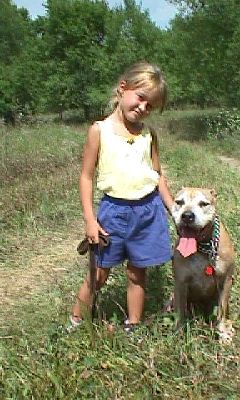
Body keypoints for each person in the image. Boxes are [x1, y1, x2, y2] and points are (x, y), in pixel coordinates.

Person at [68, 61, 174, 332]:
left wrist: (172, 207)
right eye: (140, 98)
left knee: (137, 273)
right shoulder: (99, 130)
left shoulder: (149, 135)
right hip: (113, 212)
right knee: (99, 273)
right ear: (122, 88)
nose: (142, 108)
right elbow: (86, 177)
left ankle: (134, 324)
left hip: (148, 211)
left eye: (150, 106)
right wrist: (90, 220)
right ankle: (76, 321)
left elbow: (157, 174)